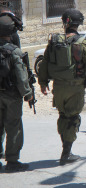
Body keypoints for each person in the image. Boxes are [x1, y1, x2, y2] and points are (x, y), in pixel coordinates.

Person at [38, 8, 86, 165]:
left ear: (65, 23)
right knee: (72, 118)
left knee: (63, 116)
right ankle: (66, 153)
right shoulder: (83, 44)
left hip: (58, 87)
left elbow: (44, 64)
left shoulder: (54, 42)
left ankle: (65, 148)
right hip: (75, 87)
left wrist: (43, 83)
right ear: (79, 24)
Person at [0, 13, 32, 171]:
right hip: (12, 96)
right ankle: (12, 161)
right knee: (13, 126)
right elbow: (21, 77)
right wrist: (27, 93)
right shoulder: (14, 52)